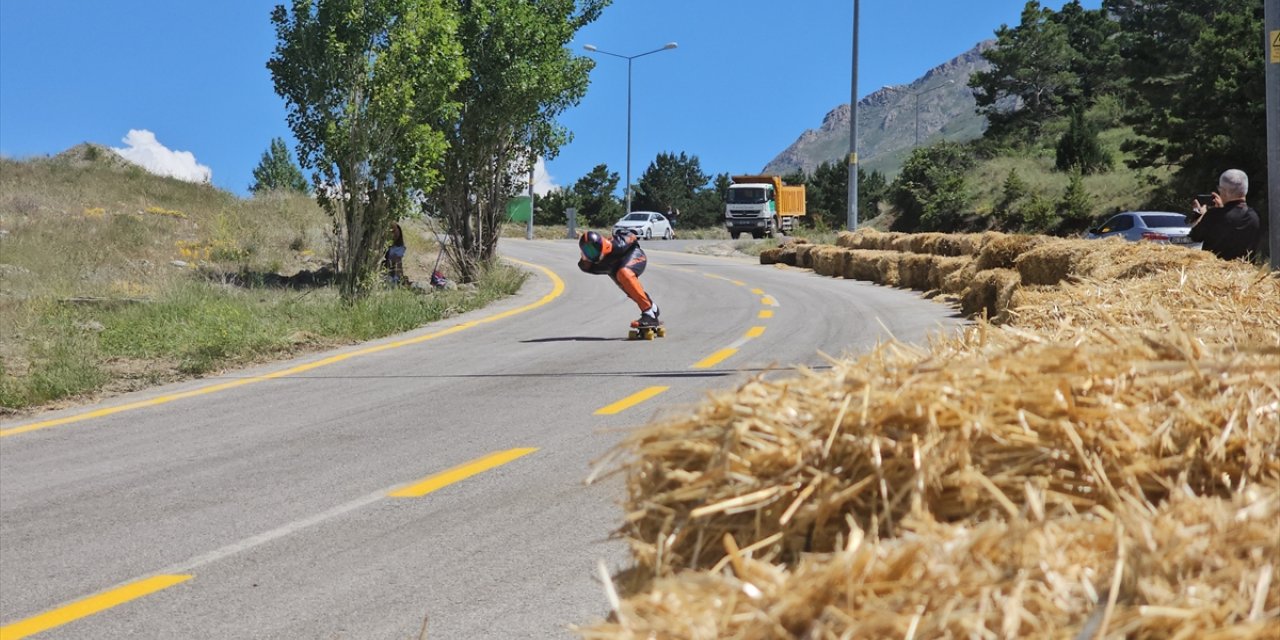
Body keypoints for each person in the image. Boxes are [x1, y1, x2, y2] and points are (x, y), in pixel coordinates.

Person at [578, 229, 661, 328]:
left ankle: (649, 313)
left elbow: (631, 236)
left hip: (635, 256)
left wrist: (622, 232)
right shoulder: (587, 265)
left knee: (624, 273)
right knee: (630, 290)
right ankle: (653, 308)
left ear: (602, 245)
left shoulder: (618, 244)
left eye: (593, 250)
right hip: (615, 271)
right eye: (588, 252)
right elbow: (585, 265)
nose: (592, 254)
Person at [1189, 169, 1261, 261]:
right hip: (1244, 272)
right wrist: (1222, 209)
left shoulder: (1213, 215)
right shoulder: (1255, 216)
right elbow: (1233, 221)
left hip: (1217, 272)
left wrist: (1201, 215)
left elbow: (1195, 236)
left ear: (1224, 191)